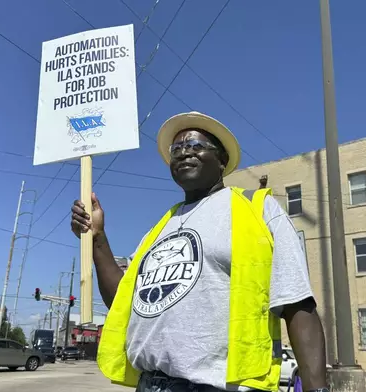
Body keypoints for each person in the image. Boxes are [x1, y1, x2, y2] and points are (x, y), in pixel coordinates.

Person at [70, 111, 328, 392]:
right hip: (151, 384)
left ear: (221, 160)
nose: (183, 154)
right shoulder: (158, 230)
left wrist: (317, 389)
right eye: (176, 149)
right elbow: (122, 302)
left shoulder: (258, 210)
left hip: (223, 386)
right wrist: (97, 239)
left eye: (195, 146)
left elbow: (298, 304)